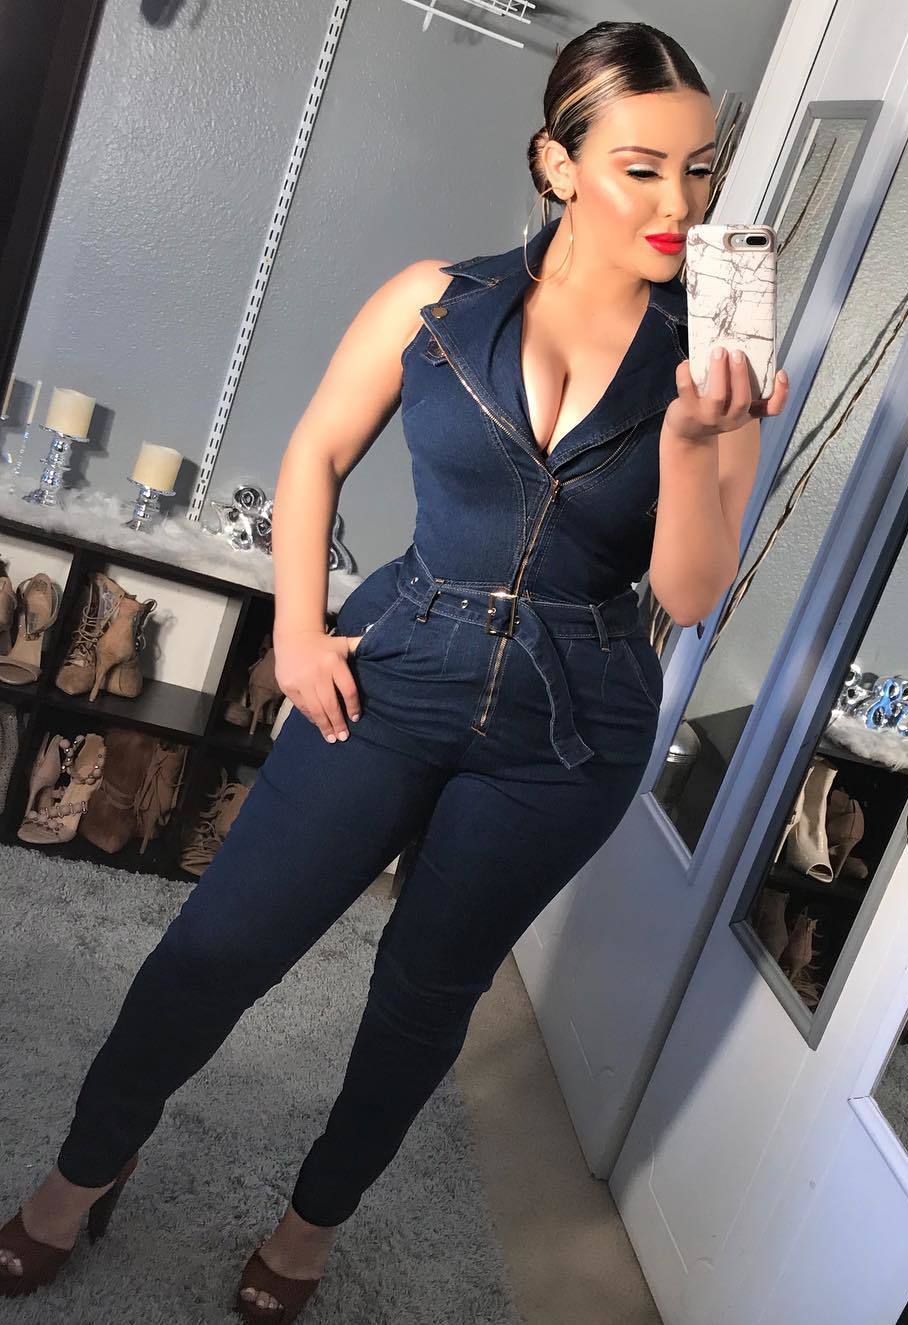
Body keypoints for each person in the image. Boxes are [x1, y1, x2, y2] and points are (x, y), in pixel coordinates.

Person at [0, 19, 788, 1322]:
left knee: (425, 998)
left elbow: (690, 593)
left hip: (572, 724)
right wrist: (297, 631)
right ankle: (85, 1168)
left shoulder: (717, 371)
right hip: (397, 661)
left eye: (699, 170)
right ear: (558, 163)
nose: (680, 203)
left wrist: (703, 439)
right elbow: (315, 451)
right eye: (642, 167)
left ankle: (311, 1223)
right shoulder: (435, 300)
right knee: (220, 943)